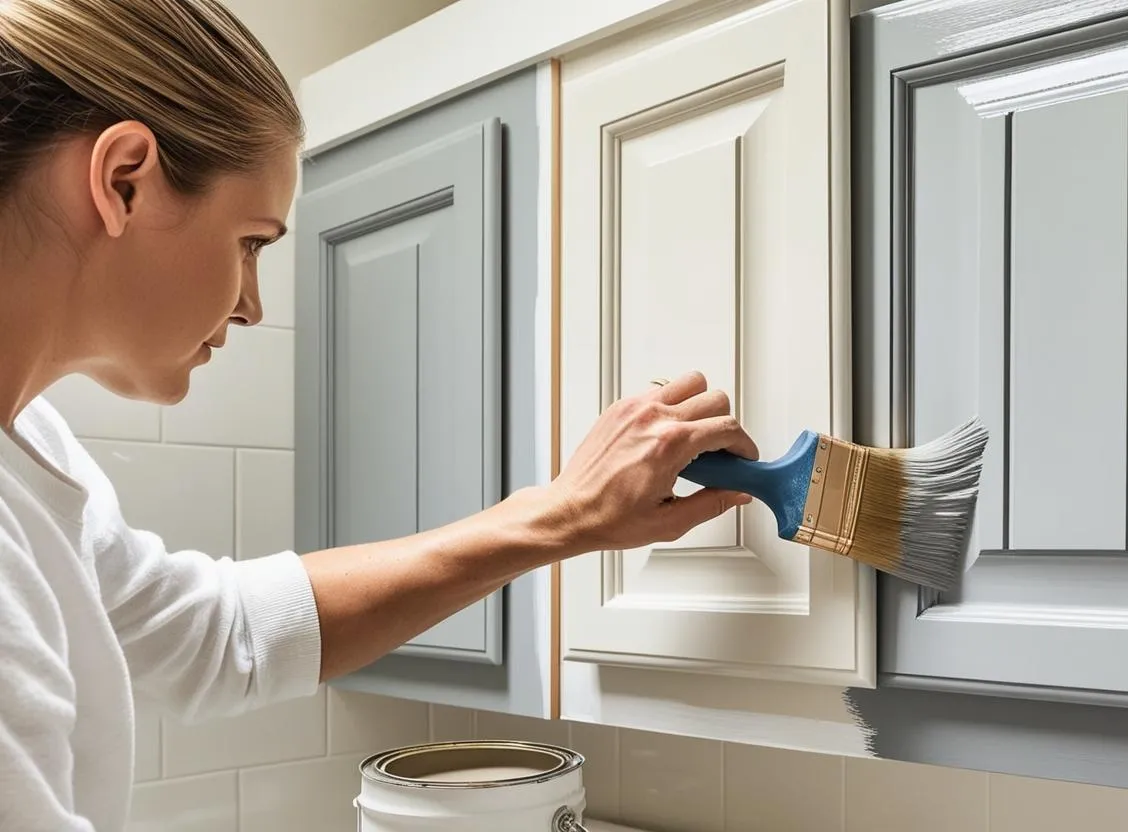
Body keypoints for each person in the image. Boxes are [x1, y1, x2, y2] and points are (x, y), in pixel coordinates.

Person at [0, 1, 759, 829]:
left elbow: (217, 636)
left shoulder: (36, 447)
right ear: (123, 181)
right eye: (251, 241)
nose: (251, 305)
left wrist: (566, 515)